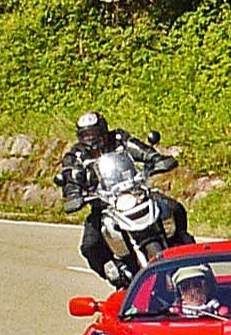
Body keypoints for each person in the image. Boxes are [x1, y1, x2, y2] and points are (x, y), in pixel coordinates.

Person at [57, 111, 193, 281]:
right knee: (90, 245)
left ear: (103, 130)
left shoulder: (119, 138)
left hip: (134, 193)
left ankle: (186, 245)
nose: (91, 139)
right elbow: (69, 176)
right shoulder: (75, 155)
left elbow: (140, 149)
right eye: (86, 135)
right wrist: (73, 194)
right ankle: (116, 272)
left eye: (93, 133)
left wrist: (155, 158)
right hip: (104, 203)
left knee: (174, 208)